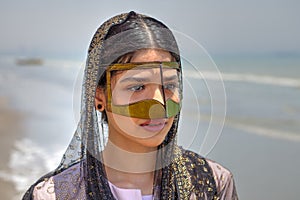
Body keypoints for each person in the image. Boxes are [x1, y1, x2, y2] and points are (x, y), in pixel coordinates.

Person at [22, 11, 238, 200]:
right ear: (99, 97)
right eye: (137, 87)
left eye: (169, 85)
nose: (158, 104)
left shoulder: (213, 183)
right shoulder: (54, 195)